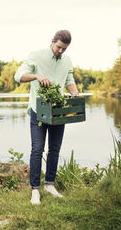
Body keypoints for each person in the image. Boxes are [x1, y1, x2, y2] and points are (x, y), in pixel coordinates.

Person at [14, 29, 79, 205]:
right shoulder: (36, 56)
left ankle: (50, 185)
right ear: (52, 41)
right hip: (38, 110)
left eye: (64, 49)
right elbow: (18, 76)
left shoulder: (66, 60)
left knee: (55, 149)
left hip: (57, 111)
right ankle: (35, 190)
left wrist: (74, 92)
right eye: (59, 47)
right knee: (37, 149)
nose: (60, 51)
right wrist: (36, 76)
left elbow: (69, 80)